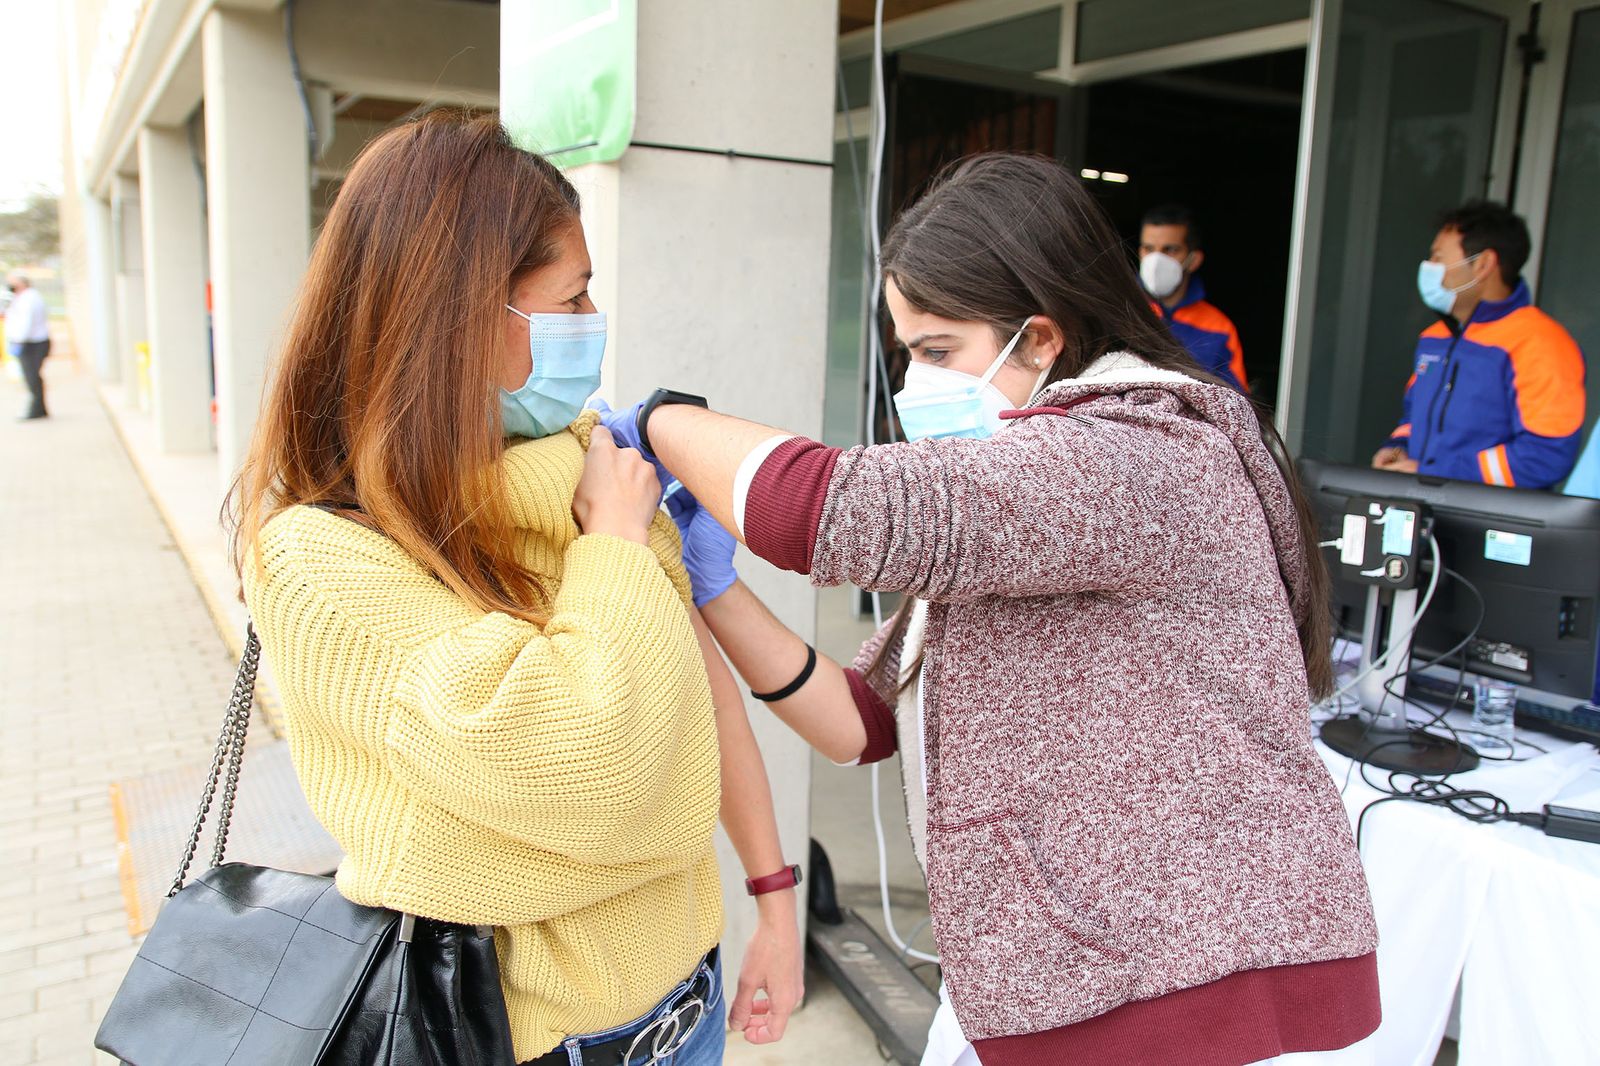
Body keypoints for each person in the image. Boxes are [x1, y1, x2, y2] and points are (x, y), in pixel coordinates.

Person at [606, 154, 1382, 1066]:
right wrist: (717, 588)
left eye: (938, 352)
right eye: (905, 353)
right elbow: (859, 720)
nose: (914, 384)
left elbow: (823, 510)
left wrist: (658, 421)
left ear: (1044, 339)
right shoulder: (1027, 511)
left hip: (1177, 981)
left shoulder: (1136, 454)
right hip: (1057, 977)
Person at [227, 112, 802, 1065]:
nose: (592, 327)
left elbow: (697, 706)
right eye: (571, 299)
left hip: (688, 1008)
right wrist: (615, 548)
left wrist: (772, 902)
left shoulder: (587, 464)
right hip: (529, 1044)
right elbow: (592, 768)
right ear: (456, 318)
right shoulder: (323, 557)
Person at [1372, 201, 1585, 489]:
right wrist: (1396, 450)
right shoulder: (1434, 337)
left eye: (1438, 257)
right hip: (1421, 510)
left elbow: (1546, 454)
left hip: (1490, 525)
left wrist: (1439, 474)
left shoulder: (1541, 343)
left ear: (1483, 264)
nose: (1429, 268)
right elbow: (1414, 418)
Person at [1138, 204, 1248, 393]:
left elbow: (1236, 404)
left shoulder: (1219, 328)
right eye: (1149, 248)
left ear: (1194, 259)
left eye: (1170, 250)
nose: (1156, 260)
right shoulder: (1120, 311)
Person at [6, 271, 51, 420]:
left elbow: (26, 322)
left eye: (12, 282)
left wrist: (18, 341)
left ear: (21, 283)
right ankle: (40, 408)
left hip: (32, 344)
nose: (9, 285)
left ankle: (36, 410)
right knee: (32, 377)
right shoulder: (21, 298)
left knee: (32, 377)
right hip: (28, 342)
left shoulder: (29, 298)